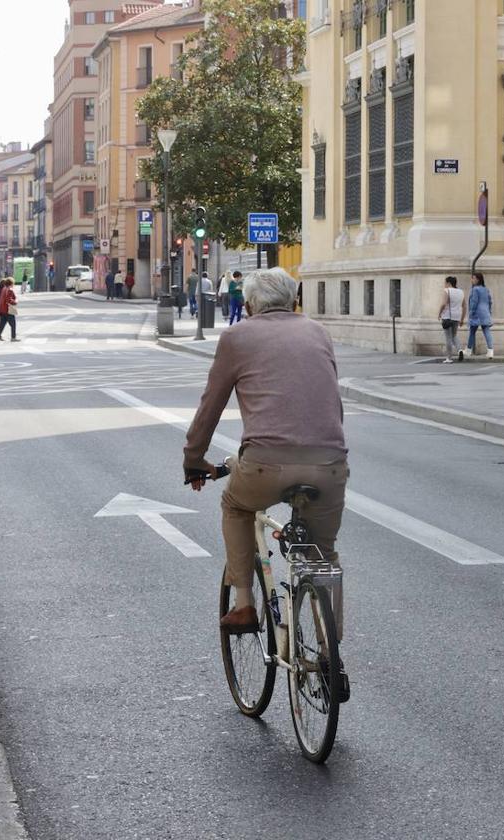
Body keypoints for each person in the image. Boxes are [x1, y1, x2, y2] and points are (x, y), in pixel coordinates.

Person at [184, 267, 350, 701]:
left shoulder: (237, 337)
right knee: (323, 556)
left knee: (236, 507)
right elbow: (332, 402)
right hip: (331, 463)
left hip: (263, 466)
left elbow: (210, 407)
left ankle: (243, 602)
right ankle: (330, 650)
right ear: (294, 301)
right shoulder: (319, 333)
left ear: (251, 305)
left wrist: (194, 459)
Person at [437, 276, 466, 363]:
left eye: (445, 283)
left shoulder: (447, 291)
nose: (444, 285)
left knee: (448, 338)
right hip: (457, 317)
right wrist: (462, 319)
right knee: (454, 335)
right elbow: (464, 306)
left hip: (447, 316)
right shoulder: (461, 292)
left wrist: (439, 313)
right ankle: (460, 350)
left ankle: (449, 358)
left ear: (449, 283)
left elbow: (443, 304)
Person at [465, 271, 494, 359]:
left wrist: (471, 312)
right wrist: (489, 311)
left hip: (477, 314)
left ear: (477, 279)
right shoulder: (486, 289)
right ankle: (490, 351)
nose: (472, 280)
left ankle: (468, 350)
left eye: (473, 278)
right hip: (485, 313)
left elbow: (474, 302)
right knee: (487, 331)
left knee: (472, 332)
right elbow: (490, 301)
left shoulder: (475, 289)